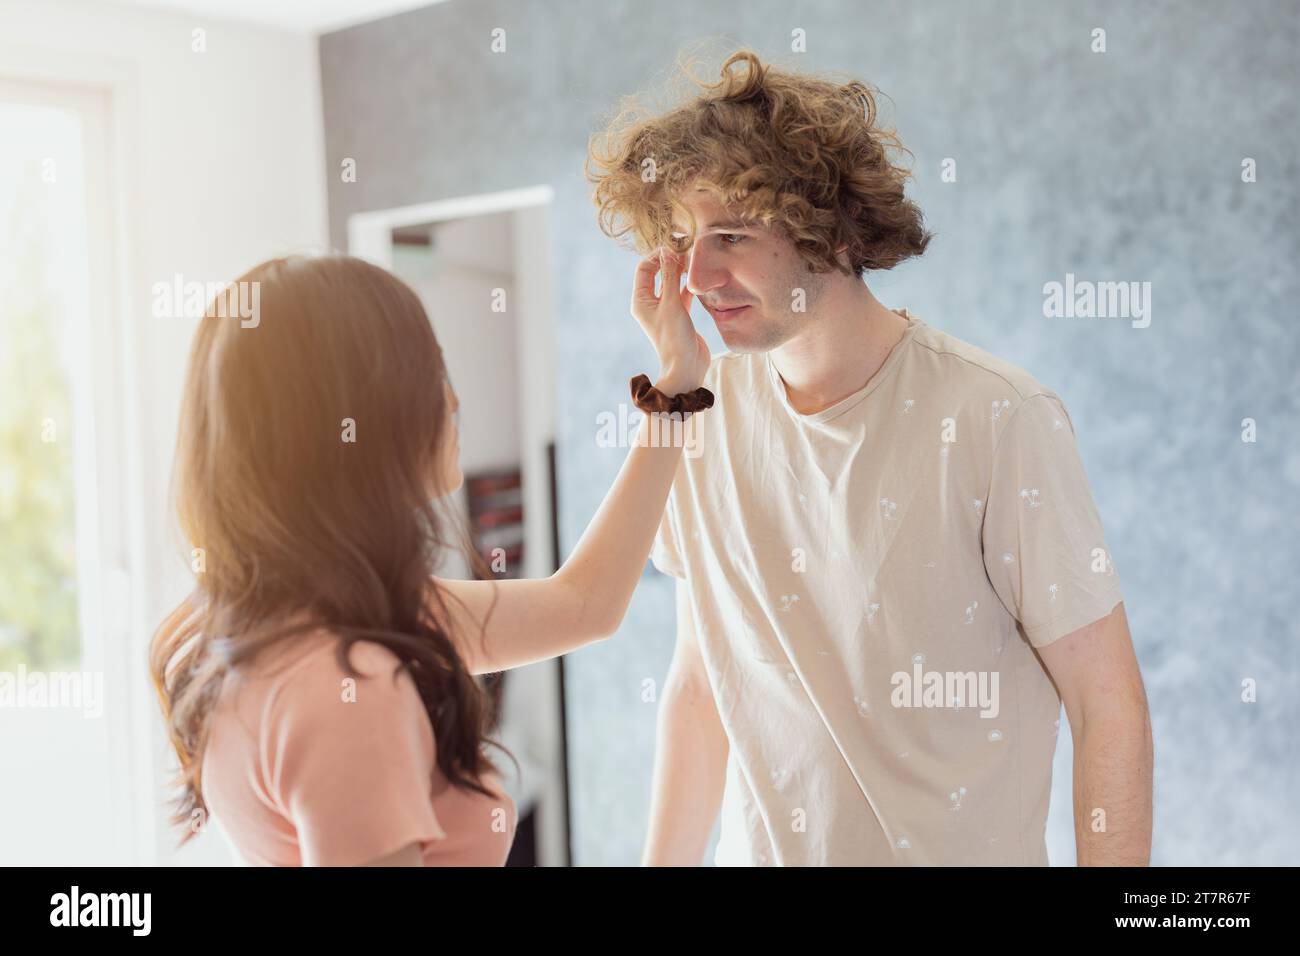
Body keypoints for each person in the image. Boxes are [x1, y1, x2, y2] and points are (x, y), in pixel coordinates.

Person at [586, 49, 1153, 866]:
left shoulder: (997, 415)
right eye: (683, 241)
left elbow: (1108, 702)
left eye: (731, 236)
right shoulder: (697, 416)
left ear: (829, 231)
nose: (699, 277)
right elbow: (702, 682)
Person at [150, 250, 709, 866]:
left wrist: (678, 382)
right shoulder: (350, 684)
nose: (454, 400)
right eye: (431, 372)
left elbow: (584, 606)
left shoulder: (288, 624)